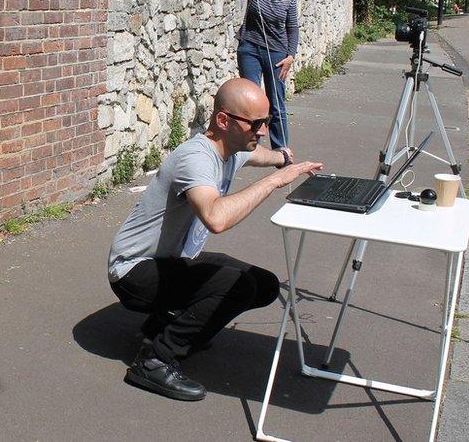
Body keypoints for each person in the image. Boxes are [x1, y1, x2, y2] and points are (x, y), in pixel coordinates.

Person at [108, 78, 323, 401]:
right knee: (235, 286)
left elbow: (260, 156)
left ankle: (161, 326)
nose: (262, 131)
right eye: (256, 124)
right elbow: (216, 218)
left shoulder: (233, 148)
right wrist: (276, 181)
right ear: (223, 121)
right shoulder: (196, 158)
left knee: (262, 284)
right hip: (134, 272)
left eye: (266, 122)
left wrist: (283, 159)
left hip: (169, 263)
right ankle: (155, 360)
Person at [229, 0, 299, 156]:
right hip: (249, 47)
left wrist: (291, 54)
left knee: (277, 102)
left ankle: (281, 149)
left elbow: (292, 27)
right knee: (250, 100)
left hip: (277, 53)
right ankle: (249, 149)